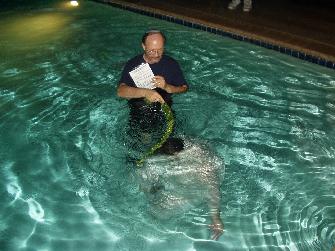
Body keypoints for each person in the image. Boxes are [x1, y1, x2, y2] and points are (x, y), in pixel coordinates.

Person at [117, 30, 188, 155]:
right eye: (152, 50)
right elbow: (121, 91)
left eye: (160, 50)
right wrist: (145, 93)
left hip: (165, 110)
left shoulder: (171, 64)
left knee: (173, 147)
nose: (156, 54)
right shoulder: (133, 65)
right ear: (143, 46)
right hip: (140, 112)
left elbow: (184, 88)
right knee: (142, 146)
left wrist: (168, 87)